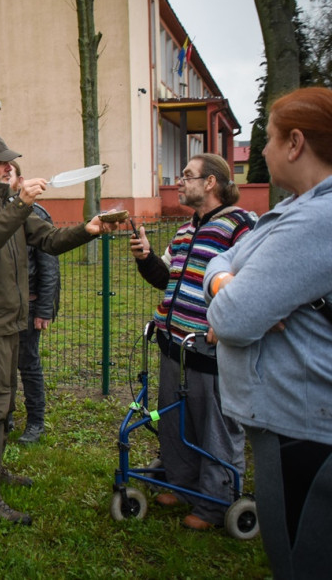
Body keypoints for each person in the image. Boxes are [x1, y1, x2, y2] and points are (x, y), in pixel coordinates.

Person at [0, 133, 119, 525]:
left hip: (11, 320)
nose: (9, 167)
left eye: (10, 162)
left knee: (4, 402)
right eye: (1, 162)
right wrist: (21, 206)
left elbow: (51, 241)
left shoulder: (10, 205)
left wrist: (87, 229)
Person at [204, 87, 332, 577]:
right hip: (290, 417)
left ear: (296, 143)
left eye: (271, 139)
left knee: (301, 558)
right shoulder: (296, 209)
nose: (261, 151)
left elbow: (232, 319)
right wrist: (226, 281)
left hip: (302, 428)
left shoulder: (315, 222)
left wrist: (234, 294)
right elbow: (224, 260)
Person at [129, 153, 253, 531]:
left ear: (211, 182)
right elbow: (166, 278)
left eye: (187, 175)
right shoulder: (185, 230)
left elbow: (254, 276)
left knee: (215, 427)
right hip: (173, 344)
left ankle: (216, 503)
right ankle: (183, 485)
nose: (179, 181)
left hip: (211, 350)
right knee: (175, 419)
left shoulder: (241, 225)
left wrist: (228, 315)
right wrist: (147, 257)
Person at [1, 161, 60, 445]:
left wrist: (44, 309)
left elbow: (49, 266)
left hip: (31, 305)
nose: (3, 178)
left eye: (7, 174)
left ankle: (35, 422)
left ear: (19, 181)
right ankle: (6, 416)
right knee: (4, 364)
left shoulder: (36, 214)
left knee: (28, 363)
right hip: (1, 306)